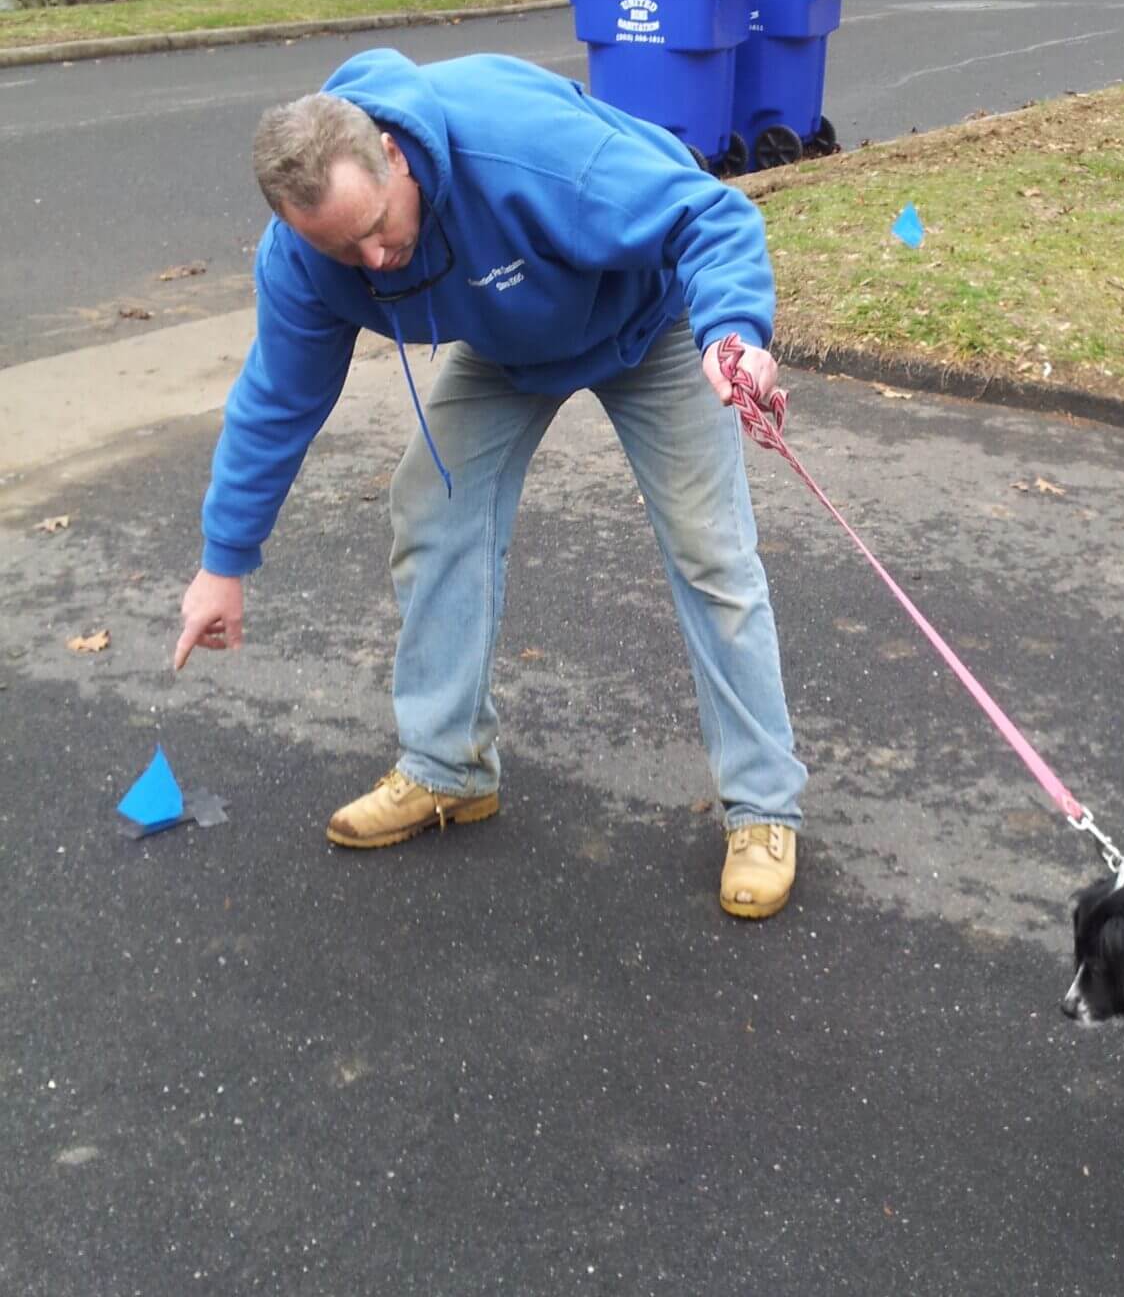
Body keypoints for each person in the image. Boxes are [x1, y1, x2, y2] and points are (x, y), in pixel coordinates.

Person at [174, 48, 806, 919]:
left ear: (394, 154)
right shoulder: (308, 257)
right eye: (341, 247)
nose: (374, 260)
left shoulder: (521, 149)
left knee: (710, 551)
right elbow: (277, 400)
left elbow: (711, 215)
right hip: (512, 343)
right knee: (432, 507)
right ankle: (449, 766)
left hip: (652, 320)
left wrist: (732, 333)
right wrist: (223, 562)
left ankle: (765, 804)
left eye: (378, 227)